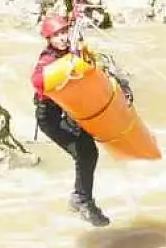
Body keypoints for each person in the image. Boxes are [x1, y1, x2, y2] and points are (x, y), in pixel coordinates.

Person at [31, 15, 112, 227]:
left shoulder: (69, 47)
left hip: (67, 111)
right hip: (51, 118)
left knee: (88, 152)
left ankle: (80, 198)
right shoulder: (47, 60)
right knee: (86, 153)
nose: (62, 38)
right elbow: (37, 80)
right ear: (48, 39)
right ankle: (82, 201)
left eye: (64, 32)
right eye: (56, 35)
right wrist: (65, 68)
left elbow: (75, 23)